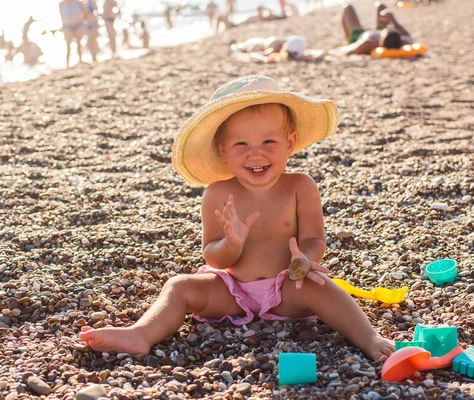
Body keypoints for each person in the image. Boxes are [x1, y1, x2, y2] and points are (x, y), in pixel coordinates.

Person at [78, 75, 395, 362]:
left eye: (268, 142)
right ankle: (142, 333)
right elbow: (212, 257)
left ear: (290, 142)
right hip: (230, 289)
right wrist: (231, 244)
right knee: (179, 286)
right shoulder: (217, 193)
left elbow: (314, 239)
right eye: (241, 144)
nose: (255, 154)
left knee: (323, 287)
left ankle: (368, 337)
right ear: (222, 149)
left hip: (287, 286)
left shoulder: (300, 187)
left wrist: (305, 260)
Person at [339, 2, 412, 55]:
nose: (387, 28)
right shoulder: (403, 41)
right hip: (374, 33)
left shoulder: (369, 43)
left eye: (387, 29)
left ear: (381, 42)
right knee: (381, 6)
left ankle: (348, 38)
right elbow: (407, 36)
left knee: (348, 7)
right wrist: (393, 21)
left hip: (358, 36)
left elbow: (348, 50)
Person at [59, 0, 86, 67]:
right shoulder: (61, 4)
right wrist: (64, 28)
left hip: (78, 25)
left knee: (79, 44)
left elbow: (85, 13)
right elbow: (61, 17)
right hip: (67, 27)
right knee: (68, 46)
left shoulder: (78, 3)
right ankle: (67, 64)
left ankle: (80, 60)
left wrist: (82, 23)